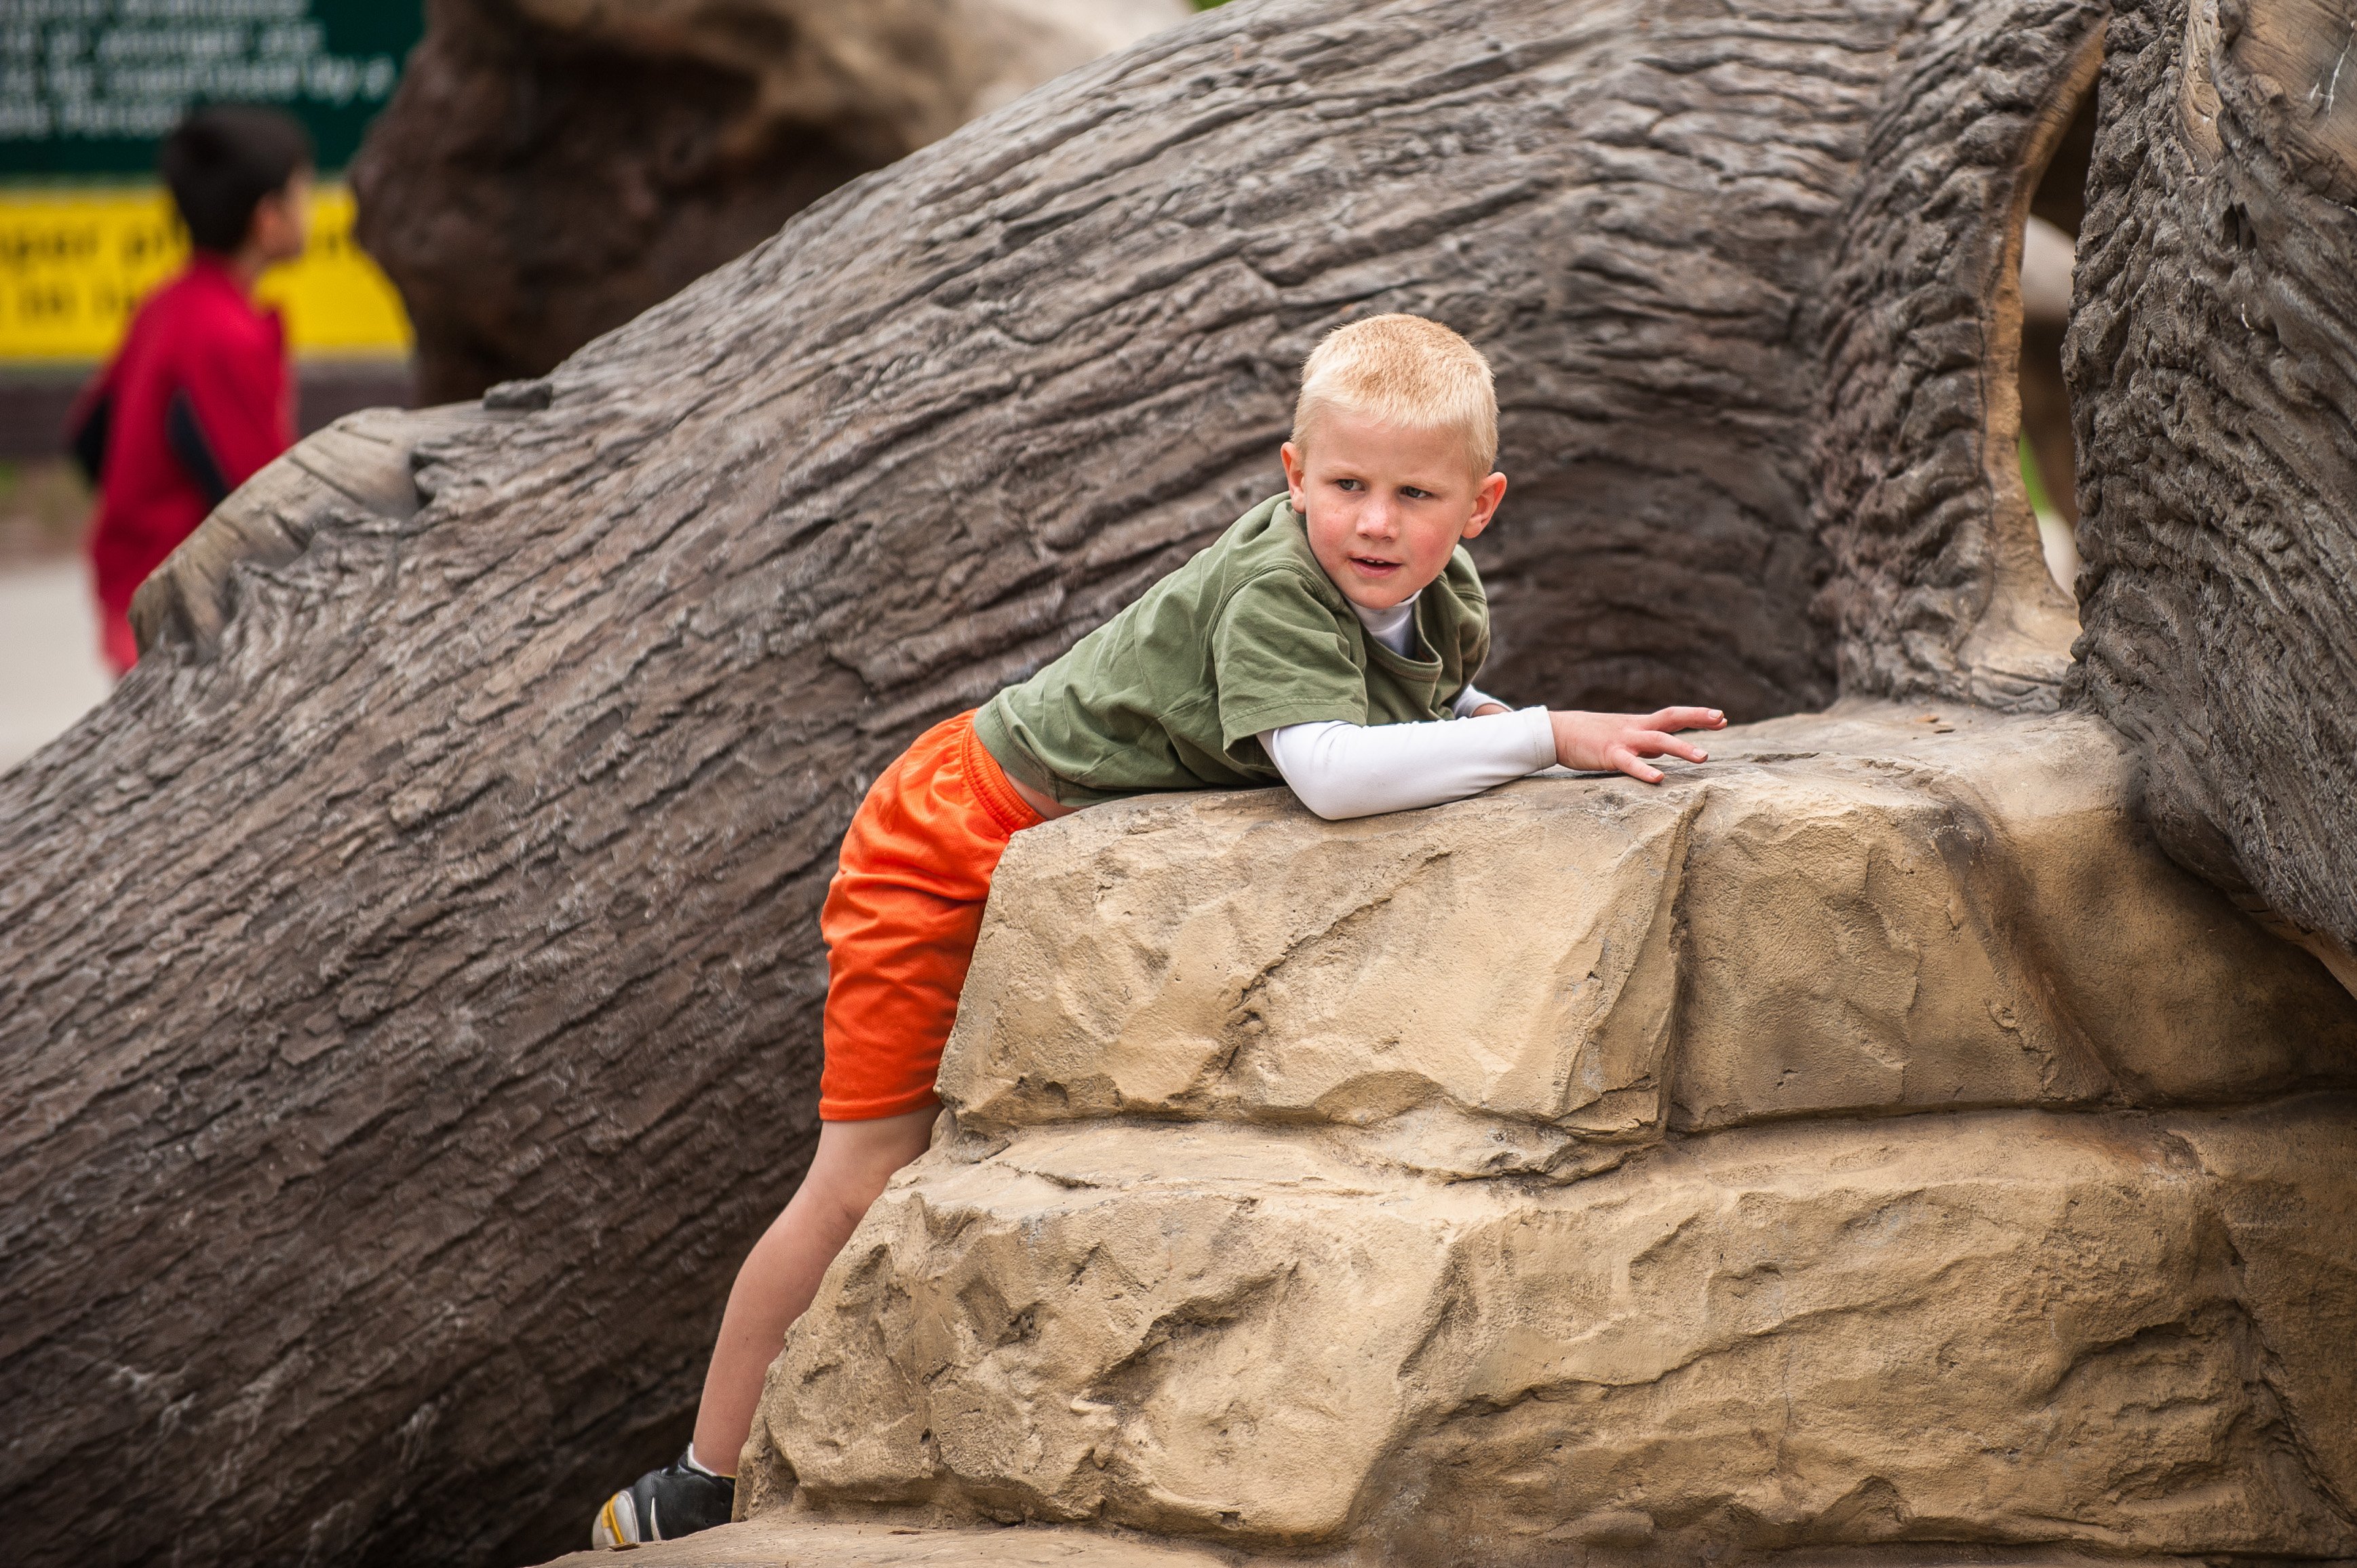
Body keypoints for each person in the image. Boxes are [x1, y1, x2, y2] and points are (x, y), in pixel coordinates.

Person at [591, 315, 1726, 1544]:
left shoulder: (1436, 590)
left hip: (1041, 847)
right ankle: (699, 1478)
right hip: (948, 835)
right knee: (866, 1166)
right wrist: (1549, 732)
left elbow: (1432, 709)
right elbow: (1333, 771)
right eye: (1345, 486)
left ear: (1481, 504)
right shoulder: (1279, 588)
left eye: (1415, 494)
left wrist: (1559, 744)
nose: (1376, 522)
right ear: (1294, 478)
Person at [70, 105, 311, 674]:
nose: (310, 210)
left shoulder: (166, 306)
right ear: (268, 218)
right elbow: (262, 501)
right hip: (188, 623)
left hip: (131, 598)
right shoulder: (226, 336)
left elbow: (88, 439)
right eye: (302, 194)